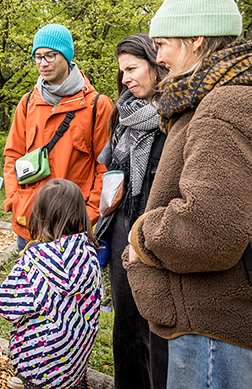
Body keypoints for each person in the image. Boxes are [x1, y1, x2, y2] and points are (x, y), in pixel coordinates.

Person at [124, 0, 252, 389]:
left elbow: (210, 227)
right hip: (221, 321)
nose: (158, 57)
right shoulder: (235, 96)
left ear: (196, 40)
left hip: (216, 330)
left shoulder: (226, 106)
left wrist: (140, 237)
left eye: (163, 44)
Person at [94, 34, 169, 389]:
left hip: (158, 233)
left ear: (156, 66)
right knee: (125, 324)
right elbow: (110, 167)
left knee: (158, 329)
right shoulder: (122, 113)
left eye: (132, 69)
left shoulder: (176, 116)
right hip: (122, 226)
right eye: (122, 71)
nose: (125, 78)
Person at [4, 23, 113, 253]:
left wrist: (89, 214)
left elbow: (105, 168)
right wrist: (14, 200)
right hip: (29, 222)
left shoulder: (97, 105)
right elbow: (13, 156)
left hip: (72, 225)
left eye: (50, 55)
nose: (42, 63)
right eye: (38, 57)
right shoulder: (27, 103)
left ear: (67, 56)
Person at [0, 178, 102, 389]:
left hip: (38, 362)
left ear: (40, 215)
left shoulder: (34, 260)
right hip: (74, 361)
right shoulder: (90, 255)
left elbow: (4, 305)